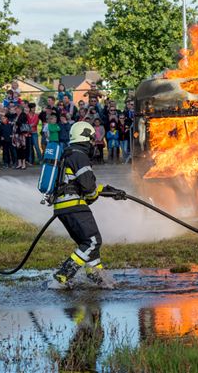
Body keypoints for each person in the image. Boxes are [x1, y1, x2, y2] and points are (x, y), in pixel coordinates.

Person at [51, 121, 125, 288]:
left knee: (89, 245)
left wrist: (108, 191)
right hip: (73, 205)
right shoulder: (79, 155)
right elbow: (88, 188)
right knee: (92, 241)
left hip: (64, 205)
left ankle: (96, 276)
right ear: (85, 137)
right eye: (91, 139)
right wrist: (95, 194)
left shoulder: (69, 153)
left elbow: (79, 184)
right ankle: (63, 275)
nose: (93, 144)